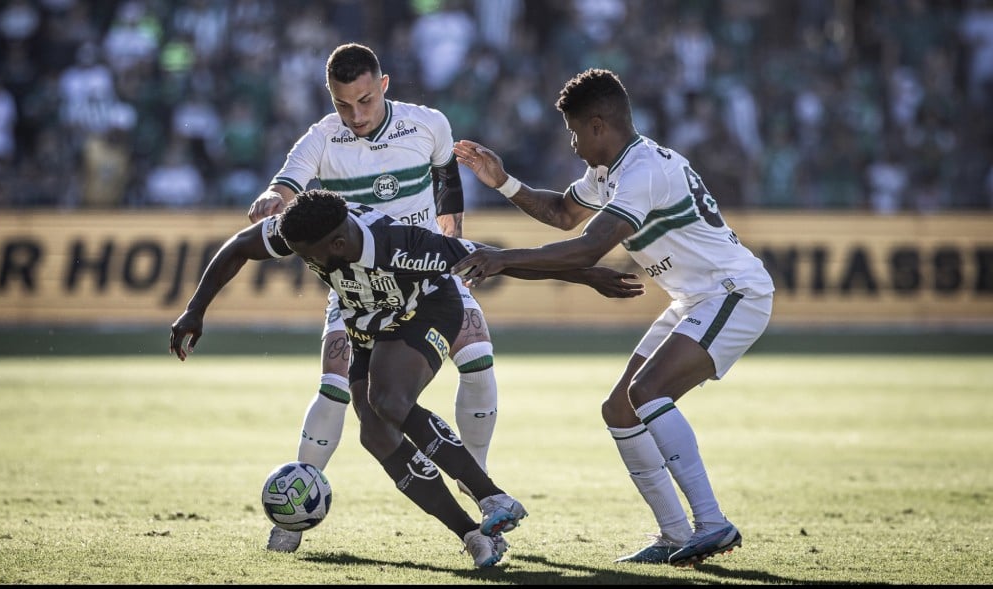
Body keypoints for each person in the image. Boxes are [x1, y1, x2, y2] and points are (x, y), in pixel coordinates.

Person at [170, 189, 644, 567]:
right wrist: (194, 310)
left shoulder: (402, 244)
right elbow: (239, 245)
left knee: (390, 403)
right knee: (376, 435)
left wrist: (585, 275)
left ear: (337, 243)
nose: (298, 260)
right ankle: (473, 537)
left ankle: (493, 496)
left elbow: (492, 259)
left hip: (429, 308)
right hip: (366, 320)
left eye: (306, 255)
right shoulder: (304, 228)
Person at [451, 68, 775, 567]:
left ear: (599, 125)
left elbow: (585, 248)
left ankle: (712, 524)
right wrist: (505, 182)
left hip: (733, 292)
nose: (574, 145)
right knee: (620, 409)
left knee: (648, 394)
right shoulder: (608, 172)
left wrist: (504, 259)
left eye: (576, 133)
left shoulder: (643, 172)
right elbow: (562, 213)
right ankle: (673, 534)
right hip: (695, 297)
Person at [245, 43, 505, 553]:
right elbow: (287, 183)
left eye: (365, 100)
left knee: (478, 360)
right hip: (358, 285)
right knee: (335, 389)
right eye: (344, 105)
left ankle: (478, 483)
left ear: (383, 86)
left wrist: (452, 230)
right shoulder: (323, 137)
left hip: (424, 273)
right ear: (331, 99)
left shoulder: (428, 124)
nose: (356, 115)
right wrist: (273, 199)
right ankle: (290, 522)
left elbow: (446, 180)